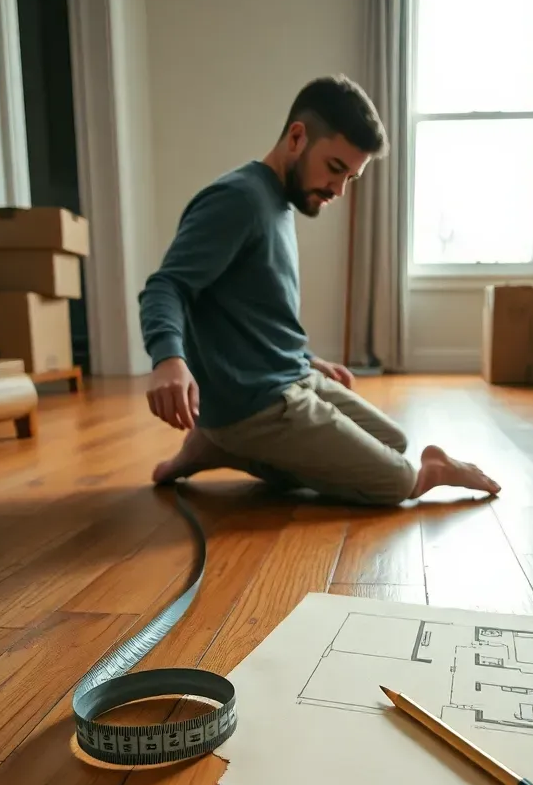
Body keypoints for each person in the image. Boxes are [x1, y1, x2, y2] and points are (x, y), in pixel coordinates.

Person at [138, 75, 500, 506]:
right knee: (400, 480)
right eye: (334, 168)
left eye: (351, 177)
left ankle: (215, 445)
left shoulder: (277, 201)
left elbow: (255, 314)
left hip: (290, 378)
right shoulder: (237, 200)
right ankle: (223, 437)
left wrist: (307, 360)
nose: (339, 189)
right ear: (297, 137)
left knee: (396, 441)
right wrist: (168, 359)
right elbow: (166, 285)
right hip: (258, 404)